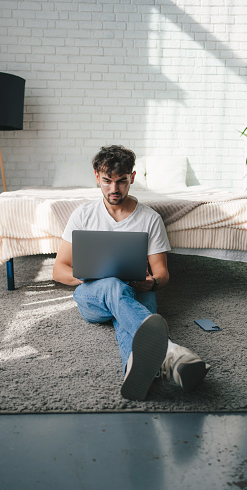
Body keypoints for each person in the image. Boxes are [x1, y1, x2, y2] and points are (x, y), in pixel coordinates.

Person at [52, 145, 210, 401]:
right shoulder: (83, 215)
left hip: (136, 292)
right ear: (96, 178)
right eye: (107, 181)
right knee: (114, 286)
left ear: (132, 178)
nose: (114, 189)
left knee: (130, 309)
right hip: (93, 297)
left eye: (122, 181)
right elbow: (58, 270)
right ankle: (171, 353)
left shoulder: (149, 218)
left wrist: (152, 283)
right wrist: (89, 275)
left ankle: (133, 371)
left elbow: (162, 273)